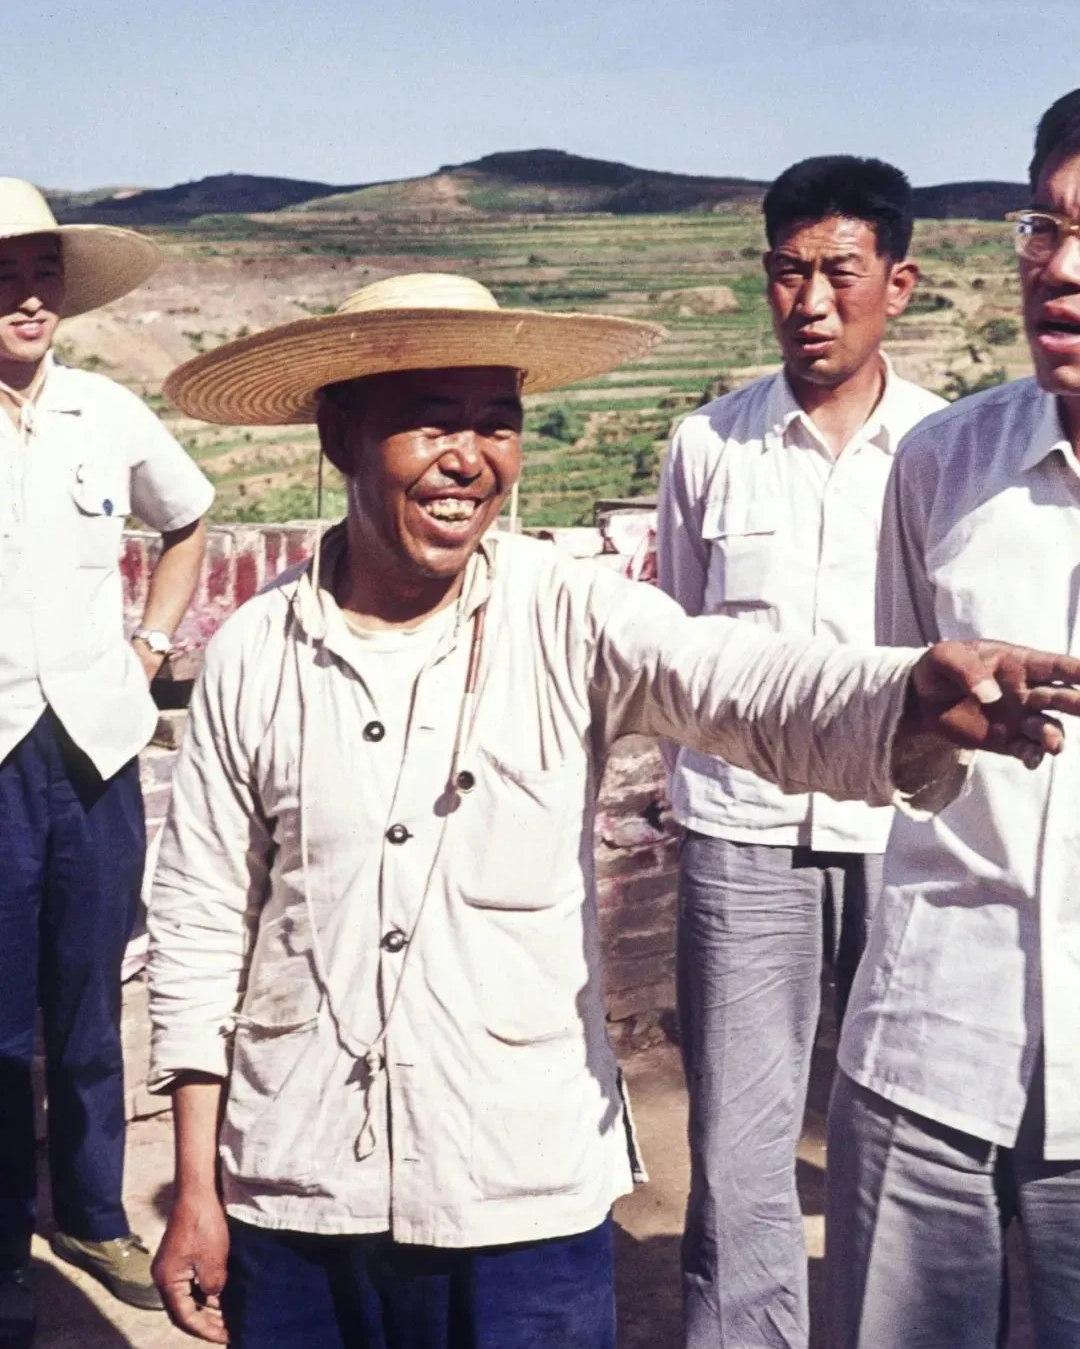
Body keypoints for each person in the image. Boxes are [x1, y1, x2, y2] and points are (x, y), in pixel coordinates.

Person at [145, 272, 1078, 1349]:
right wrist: (197, 1187)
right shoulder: (253, 656)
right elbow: (202, 922)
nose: (470, 459)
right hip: (297, 1183)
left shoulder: (566, 610)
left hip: (519, 1186)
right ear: (341, 434)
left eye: (498, 423)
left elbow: (735, 678)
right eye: (432, 422)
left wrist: (902, 691)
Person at [655, 155, 945, 1348]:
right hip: (743, 830)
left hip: (909, 830)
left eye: (840, 272)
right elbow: (678, 646)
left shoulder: (946, 448)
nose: (812, 302)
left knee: (907, 1128)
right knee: (738, 1141)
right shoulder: (707, 445)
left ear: (899, 283)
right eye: (788, 272)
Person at [826, 89, 1080, 1349]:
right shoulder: (943, 464)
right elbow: (898, 732)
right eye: (1045, 227)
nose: (1061, 270)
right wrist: (934, 727)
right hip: (930, 1047)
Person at [0, 179, 214, 1347]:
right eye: (3, 277)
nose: (27, 298)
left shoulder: (106, 413)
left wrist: (148, 646)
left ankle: (89, 1217)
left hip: (92, 750)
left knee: (89, 1002)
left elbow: (188, 520)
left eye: (42, 275)